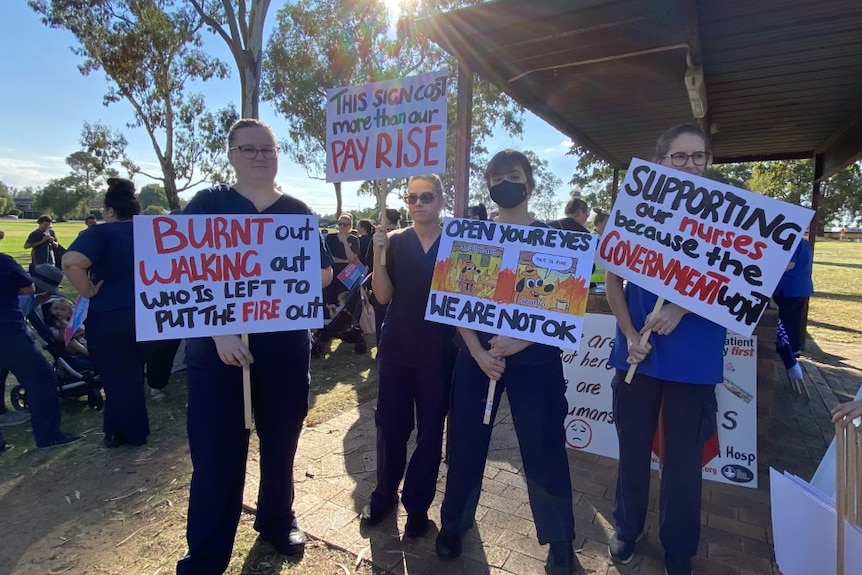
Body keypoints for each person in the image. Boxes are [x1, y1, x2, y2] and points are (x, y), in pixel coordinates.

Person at [175, 118, 333, 575]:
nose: (260, 156)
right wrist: (218, 332)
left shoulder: (299, 211)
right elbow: (183, 271)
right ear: (231, 154)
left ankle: (276, 520)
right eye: (249, 149)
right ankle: (205, 554)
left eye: (268, 149)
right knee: (216, 455)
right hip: (217, 352)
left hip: (284, 350)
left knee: (281, 443)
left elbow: (322, 275)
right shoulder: (207, 204)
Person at [436, 150, 576, 575]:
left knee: (544, 447)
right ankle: (454, 524)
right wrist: (478, 352)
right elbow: (453, 302)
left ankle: (559, 540)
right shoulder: (469, 235)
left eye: (513, 176)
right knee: (464, 443)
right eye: (497, 178)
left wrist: (519, 341)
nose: (505, 184)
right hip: (476, 360)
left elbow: (563, 308)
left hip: (535, 362)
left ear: (529, 183)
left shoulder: (554, 239)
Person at [604, 123, 724, 575]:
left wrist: (681, 308)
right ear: (659, 163)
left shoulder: (724, 219)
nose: (690, 164)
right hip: (638, 354)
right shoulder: (633, 211)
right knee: (632, 449)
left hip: (694, 359)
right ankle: (626, 528)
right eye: (680, 156)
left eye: (698, 156)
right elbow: (612, 278)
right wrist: (629, 332)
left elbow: (738, 282)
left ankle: (679, 546)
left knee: (682, 460)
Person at [361, 175, 454, 538]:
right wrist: (379, 255)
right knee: (390, 425)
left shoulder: (456, 242)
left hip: (439, 351)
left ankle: (418, 504)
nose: (419, 204)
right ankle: (384, 495)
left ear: (441, 200)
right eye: (412, 197)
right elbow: (382, 296)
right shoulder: (393, 242)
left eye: (426, 196)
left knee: (431, 432)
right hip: (398, 348)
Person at [64, 178, 149, 449]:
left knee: (115, 376)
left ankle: (132, 432)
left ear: (110, 210)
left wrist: (87, 290)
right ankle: (115, 430)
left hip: (111, 314)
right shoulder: (150, 233)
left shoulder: (99, 234)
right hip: (150, 313)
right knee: (132, 374)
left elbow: (71, 262)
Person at [0, 251, 83, 449]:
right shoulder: (4, 261)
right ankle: (49, 436)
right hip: (7, 331)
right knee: (42, 379)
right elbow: (27, 287)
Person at [772, 238, 813, 356]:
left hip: (788, 288)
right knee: (793, 320)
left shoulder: (792, 241)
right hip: (800, 287)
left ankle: (790, 351)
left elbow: (789, 264)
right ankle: (794, 348)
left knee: (786, 321)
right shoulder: (804, 243)